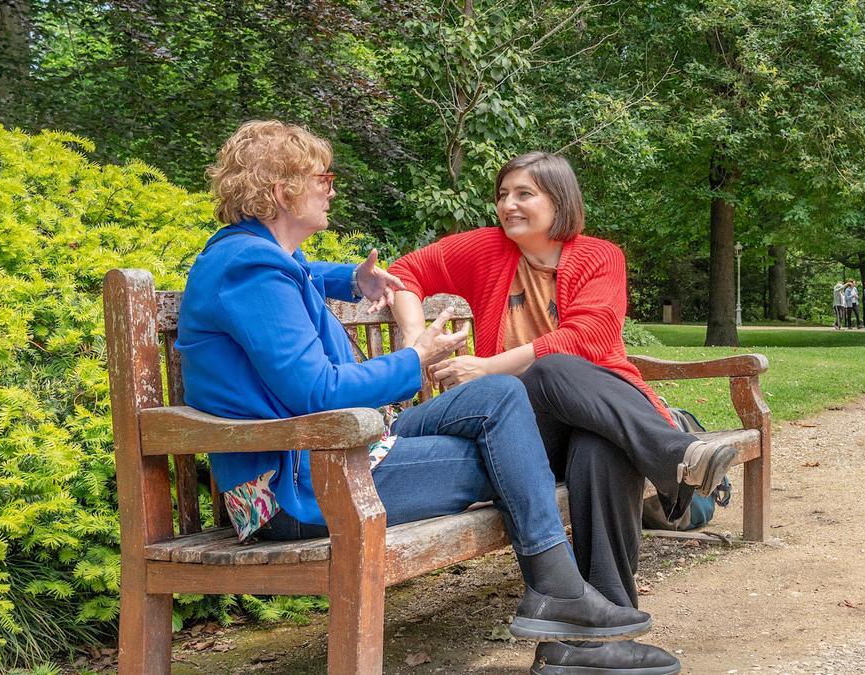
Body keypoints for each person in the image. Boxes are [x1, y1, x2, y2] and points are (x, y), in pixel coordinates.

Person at [175, 121, 652, 651]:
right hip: (293, 488)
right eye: (322, 178)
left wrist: (353, 279)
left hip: (336, 454)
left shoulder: (264, 258)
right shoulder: (250, 268)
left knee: (500, 395)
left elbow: (302, 277)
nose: (332, 189)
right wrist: (414, 358)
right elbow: (316, 392)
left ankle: (561, 596)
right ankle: (560, 589)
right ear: (282, 190)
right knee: (519, 456)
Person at [389, 151, 745, 674]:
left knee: (602, 448)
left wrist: (489, 366)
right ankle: (674, 457)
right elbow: (403, 273)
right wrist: (415, 338)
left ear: (559, 200)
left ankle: (590, 643)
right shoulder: (487, 250)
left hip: (588, 421)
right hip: (510, 433)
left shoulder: (599, 256)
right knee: (550, 370)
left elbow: (591, 336)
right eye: (503, 194)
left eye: (523, 194)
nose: (508, 204)